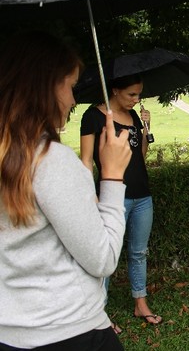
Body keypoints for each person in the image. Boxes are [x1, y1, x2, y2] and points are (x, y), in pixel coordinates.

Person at [0, 31, 131, 350]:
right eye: (70, 87)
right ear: (45, 87)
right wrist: (112, 177)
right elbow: (103, 259)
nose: (73, 100)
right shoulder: (51, 161)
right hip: (72, 332)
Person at [80, 74, 161, 331]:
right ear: (114, 90)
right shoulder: (93, 117)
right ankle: (98, 312)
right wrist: (90, 195)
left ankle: (140, 302)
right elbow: (85, 161)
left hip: (142, 196)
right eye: (131, 95)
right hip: (113, 197)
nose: (136, 100)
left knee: (139, 252)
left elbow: (140, 156)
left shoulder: (134, 116)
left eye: (139, 95)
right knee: (106, 255)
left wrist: (147, 128)